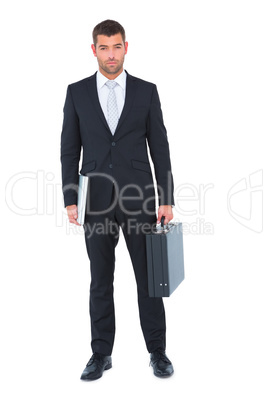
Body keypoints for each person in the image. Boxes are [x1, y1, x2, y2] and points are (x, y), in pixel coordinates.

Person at [60, 19, 175, 380]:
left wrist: (166, 198)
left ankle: (158, 351)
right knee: (100, 279)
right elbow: (68, 150)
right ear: (94, 50)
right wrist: (70, 196)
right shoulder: (77, 92)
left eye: (117, 46)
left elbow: (160, 147)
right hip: (95, 199)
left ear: (127, 47)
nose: (111, 55)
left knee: (149, 278)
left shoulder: (146, 91)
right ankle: (100, 353)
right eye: (104, 48)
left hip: (140, 197)